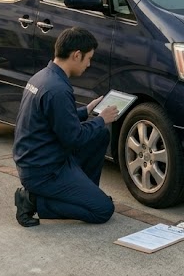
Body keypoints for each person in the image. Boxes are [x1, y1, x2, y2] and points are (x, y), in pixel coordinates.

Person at [12, 27, 119, 227]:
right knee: (103, 210)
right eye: (88, 58)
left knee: (100, 135)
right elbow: (74, 138)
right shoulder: (58, 89)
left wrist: (86, 110)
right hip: (45, 171)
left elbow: (55, 119)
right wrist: (101, 119)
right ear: (76, 55)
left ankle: (84, 194)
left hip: (39, 159)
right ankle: (32, 201)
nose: (89, 64)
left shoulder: (43, 77)